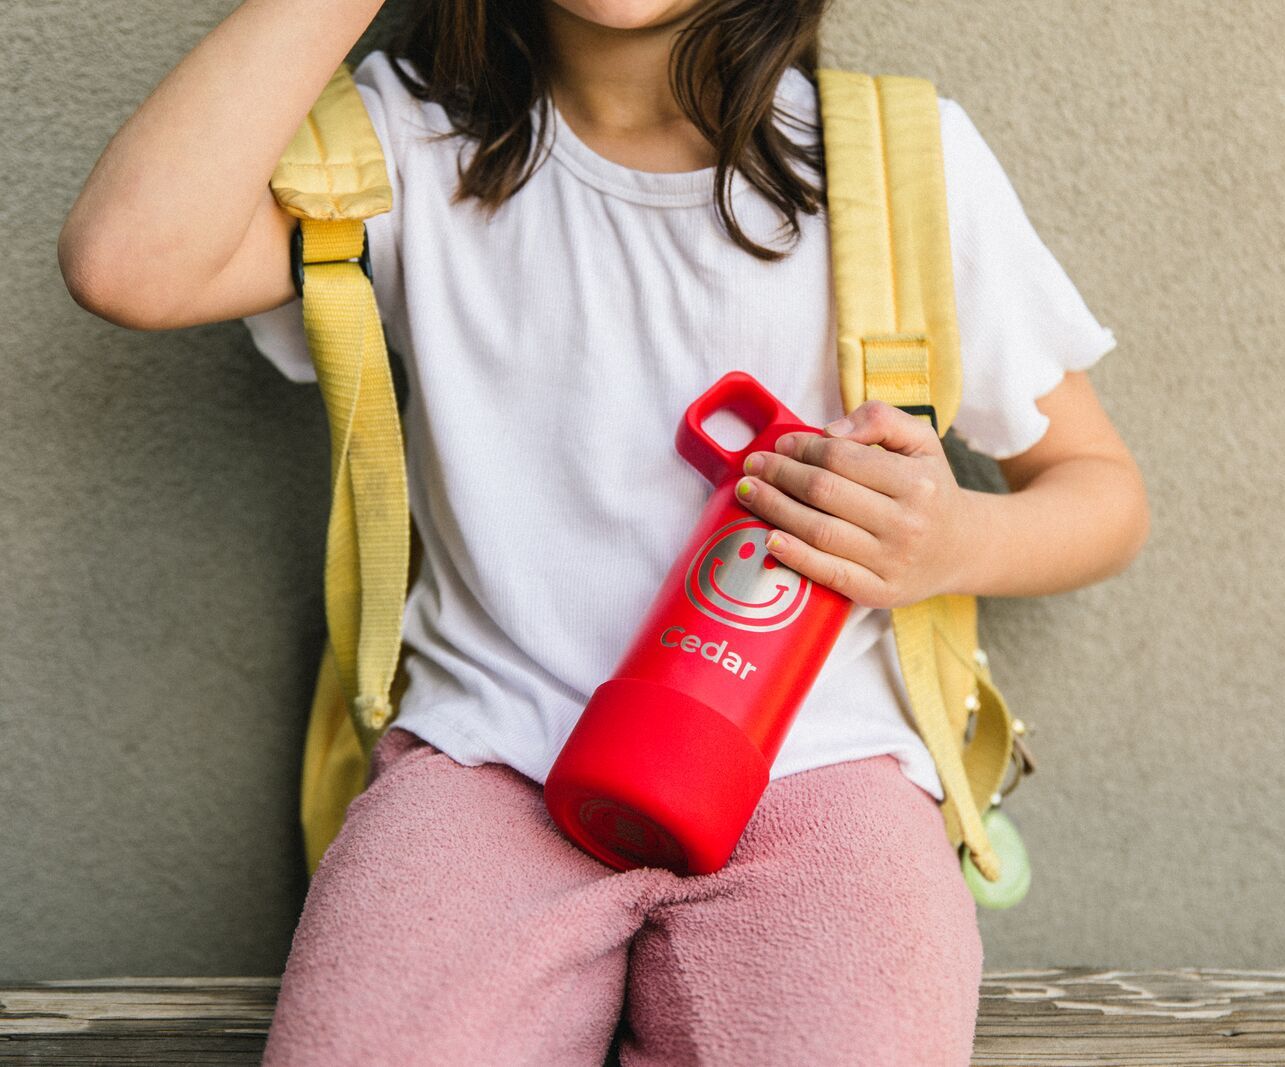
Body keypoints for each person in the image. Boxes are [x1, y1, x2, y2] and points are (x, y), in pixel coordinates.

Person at [58, 0, 1150, 1063]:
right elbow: (125, 263)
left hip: (822, 781)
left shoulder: (901, 167)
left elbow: (1098, 492)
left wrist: (953, 541)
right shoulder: (396, 144)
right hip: (488, 764)